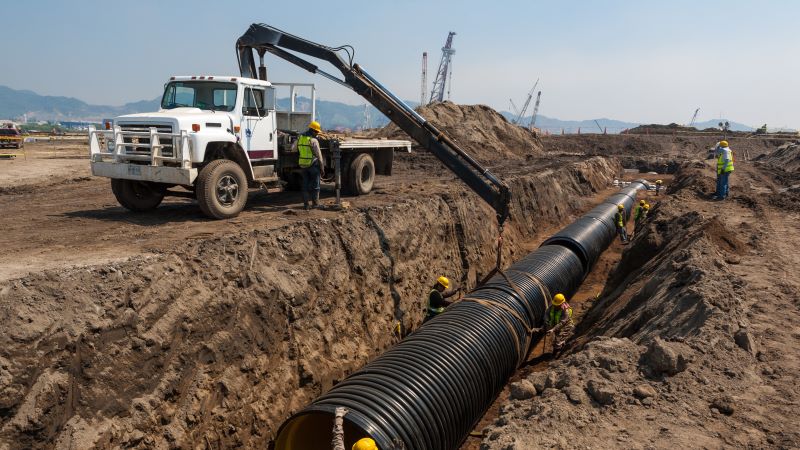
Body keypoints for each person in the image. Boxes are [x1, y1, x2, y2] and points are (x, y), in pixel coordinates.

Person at [292, 121, 325, 210]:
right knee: (316, 185)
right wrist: (322, 168)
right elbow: (319, 156)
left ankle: (306, 205)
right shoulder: (313, 140)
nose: (317, 134)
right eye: (317, 132)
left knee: (305, 185)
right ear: (313, 131)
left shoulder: (300, 138)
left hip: (302, 165)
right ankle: (315, 204)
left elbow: (293, 149)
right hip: (313, 165)